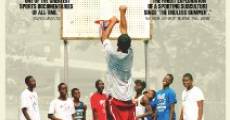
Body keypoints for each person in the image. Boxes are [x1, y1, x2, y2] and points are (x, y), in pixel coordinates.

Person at [97, 5, 136, 120]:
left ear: (117, 44)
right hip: (129, 102)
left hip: (116, 102)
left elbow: (104, 37)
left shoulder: (111, 54)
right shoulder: (130, 53)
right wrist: (122, 12)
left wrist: (113, 22)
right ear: (128, 45)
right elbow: (124, 31)